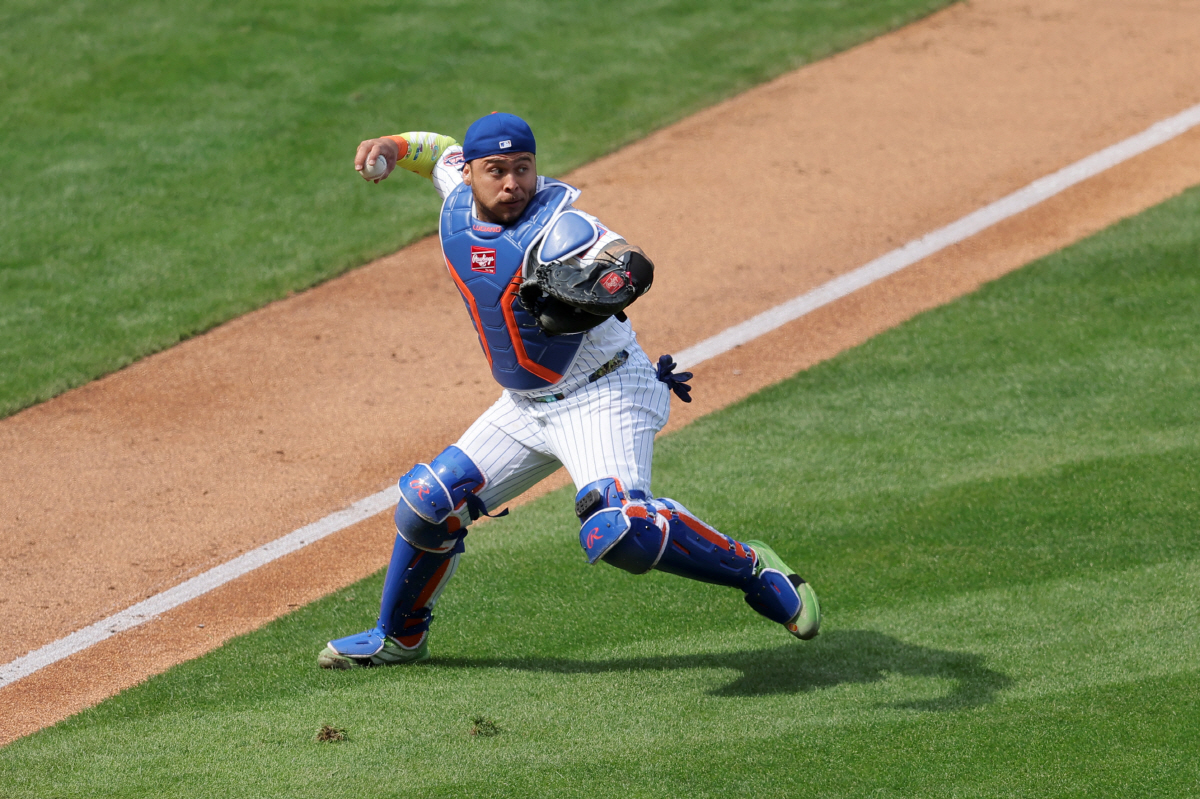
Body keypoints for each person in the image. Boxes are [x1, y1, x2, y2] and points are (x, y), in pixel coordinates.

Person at [318, 113, 820, 668]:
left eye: (523, 168)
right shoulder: (456, 198)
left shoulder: (560, 228)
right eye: (497, 171)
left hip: (604, 394)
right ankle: (399, 637)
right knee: (427, 505)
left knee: (622, 530)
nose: (513, 184)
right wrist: (391, 146)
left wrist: (612, 280)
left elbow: (625, 259)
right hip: (526, 405)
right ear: (470, 174)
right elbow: (436, 149)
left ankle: (753, 569)